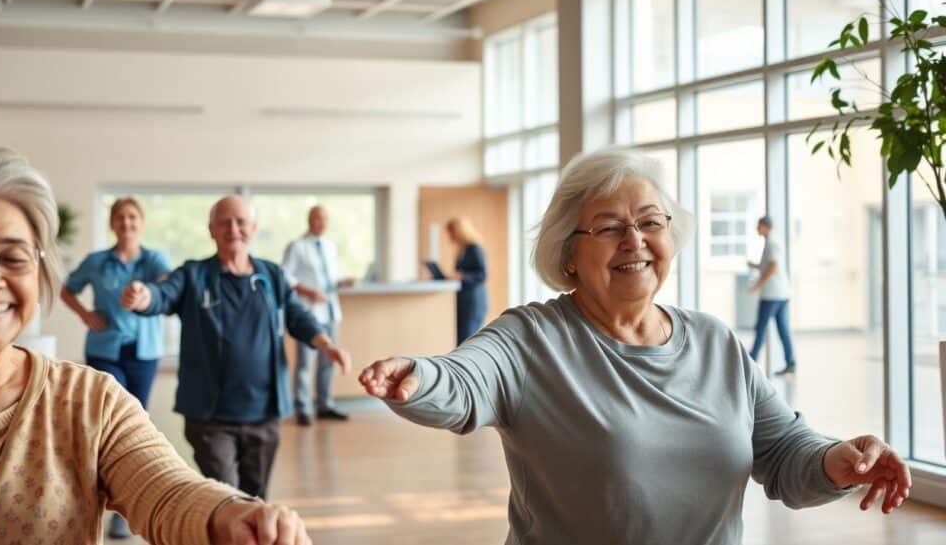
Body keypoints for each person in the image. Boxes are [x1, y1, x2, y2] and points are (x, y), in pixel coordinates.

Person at [359, 151, 910, 545]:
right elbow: (465, 380)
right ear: (568, 253)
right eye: (610, 227)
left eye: (651, 223)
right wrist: (418, 376)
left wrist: (837, 460)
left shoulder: (715, 342)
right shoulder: (531, 340)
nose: (635, 241)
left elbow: (786, 453)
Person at [0, 147, 311, 545]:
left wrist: (225, 514)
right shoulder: (110, 263)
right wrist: (107, 311)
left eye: (13, 257)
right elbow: (165, 293)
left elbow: (166, 488)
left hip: (154, 361)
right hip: (118, 352)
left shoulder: (90, 401)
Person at [121, 195, 350, 500]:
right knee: (227, 499)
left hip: (264, 414)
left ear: (253, 228)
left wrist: (325, 343)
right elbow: (163, 295)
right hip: (210, 420)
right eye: (224, 222)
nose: (233, 229)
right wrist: (143, 297)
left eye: (240, 222)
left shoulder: (270, 275)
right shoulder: (193, 275)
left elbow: (296, 314)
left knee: (256, 499)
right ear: (211, 229)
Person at [60, 196, 170, 538]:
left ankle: (125, 506)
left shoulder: (154, 259)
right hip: (105, 351)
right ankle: (96, 496)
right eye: (120, 217)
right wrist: (85, 315)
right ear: (112, 223)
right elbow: (67, 289)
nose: (127, 223)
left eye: (133, 217)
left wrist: (146, 292)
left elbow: (166, 287)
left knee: (137, 424)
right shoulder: (97, 262)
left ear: (142, 222)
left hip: (144, 351)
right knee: (108, 424)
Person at [282, 205, 354, 426]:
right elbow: (285, 276)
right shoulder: (297, 246)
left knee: (328, 360)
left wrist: (341, 282)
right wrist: (307, 291)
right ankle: (303, 407)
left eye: (325, 219)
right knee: (305, 362)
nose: (321, 223)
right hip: (310, 312)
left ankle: (325, 405)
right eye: (317, 218)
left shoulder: (330, 247)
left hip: (331, 311)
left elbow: (330, 277)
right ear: (309, 220)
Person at [748, 215, 796, 375]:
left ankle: (751, 361)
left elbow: (773, 268)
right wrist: (755, 265)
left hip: (772, 294)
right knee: (783, 329)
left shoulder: (773, 243)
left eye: (758, 226)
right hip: (780, 294)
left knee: (760, 327)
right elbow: (769, 266)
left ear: (765, 227)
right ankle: (791, 363)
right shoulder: (771, 242)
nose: (757, 229)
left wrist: (757, 285)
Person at [446, 217, 488, 344]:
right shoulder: (462, 249)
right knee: (461, 339)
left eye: (451, 233)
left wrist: (463, 277)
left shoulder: (474, 248)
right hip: (463, 299)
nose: (450, 236)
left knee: (467, 339)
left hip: (473, 300)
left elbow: (482, 275)